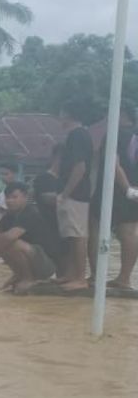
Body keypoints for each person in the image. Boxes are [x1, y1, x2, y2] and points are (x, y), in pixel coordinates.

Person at [89, 108, 138, 291]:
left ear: (121, 115)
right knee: (130, 233)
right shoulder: (135, 135)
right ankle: (124, 279)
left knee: (95, 227)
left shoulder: (114, 135)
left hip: (114, 191)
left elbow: (113, 164)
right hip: (134, 192)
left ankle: (96, 275)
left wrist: (126, 189)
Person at [0, 182, 59, 294]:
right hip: (33, 258)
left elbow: (10, 238)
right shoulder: (10, 215)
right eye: (7, 197)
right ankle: (19, 275)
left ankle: (28, 278)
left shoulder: (30, 212)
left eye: (14, 197)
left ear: (25, 197)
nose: (10, 201)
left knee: (12, 243)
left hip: (46, 264)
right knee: (4, 243)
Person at [56, 98, 95, 291]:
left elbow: (80, 167)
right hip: (74, 193)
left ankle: (80, 278)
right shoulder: (79, 135)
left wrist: (65, 193)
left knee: (78, 236)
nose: (59, 118)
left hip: (76, 194)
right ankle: (72, 274)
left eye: (61, 113)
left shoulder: (78, 135)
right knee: (72, 235)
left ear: (69, 115)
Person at [30, 146, 63, 277]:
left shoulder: (64, 179)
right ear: (55, 157)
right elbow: (48, 200)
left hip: (62, 228)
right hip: (48, 229)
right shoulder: (44, 178)